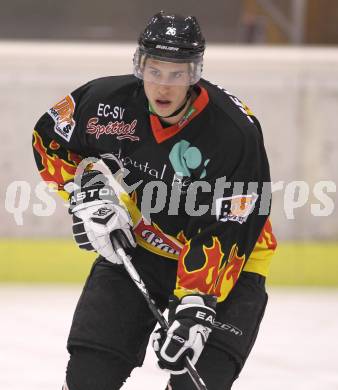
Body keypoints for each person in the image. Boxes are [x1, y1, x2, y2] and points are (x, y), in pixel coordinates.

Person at [33, 11, 277, 390]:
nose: (163, 86)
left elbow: (233, 224)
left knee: (195, 385)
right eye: (154, 70)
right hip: (139, 246)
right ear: (139, 66)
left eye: (177, 73)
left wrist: (196, 305)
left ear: (194, 73)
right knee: (88, 377)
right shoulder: (107, 104)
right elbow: (49, 137)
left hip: (232, 265)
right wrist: (86, 187)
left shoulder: (234, 133)